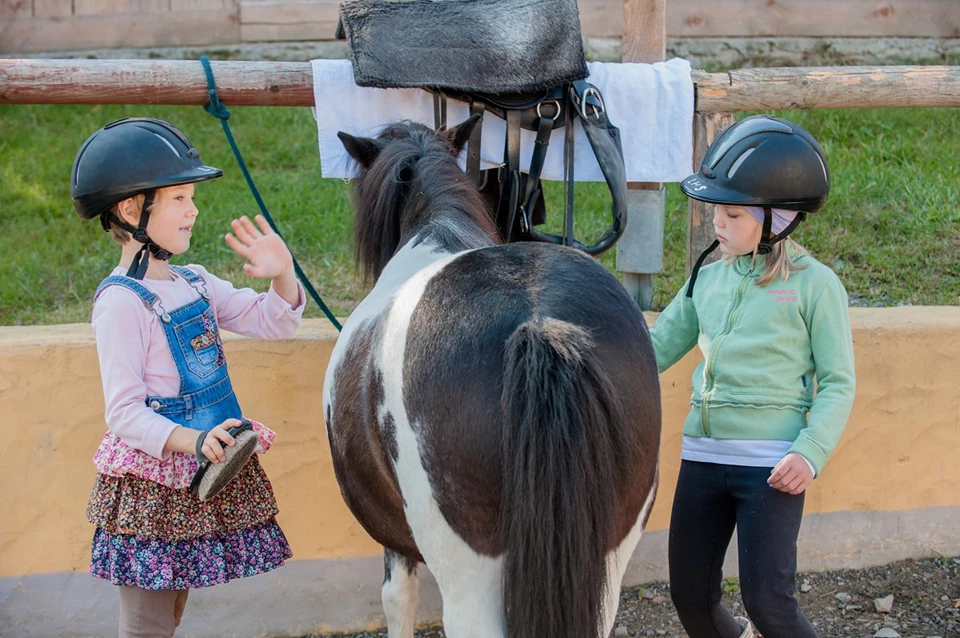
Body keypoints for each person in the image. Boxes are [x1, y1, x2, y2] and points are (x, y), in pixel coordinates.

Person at [71, 117, 305, 637]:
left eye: (190, 197)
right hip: (156, 480)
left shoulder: (195, 282)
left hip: (198, 470)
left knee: (172, 612)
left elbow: (273, 320)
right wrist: (193, 439)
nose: (193, 209)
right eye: (178, 197)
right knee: (147, 623)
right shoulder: (121, 302)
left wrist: (282, 271)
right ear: (132, 209)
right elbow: (125, 413)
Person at [651, 115, 856, 638]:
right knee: (691, 596)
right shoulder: (707, 277)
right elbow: (654, 349)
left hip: (773, 466)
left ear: (778, 219)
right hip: (702, 457)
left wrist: (810, 451)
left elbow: (837, 381)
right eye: (716, 212)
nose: (717, 224)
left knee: (769, 603)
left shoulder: (815, 286)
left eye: (733, 214)